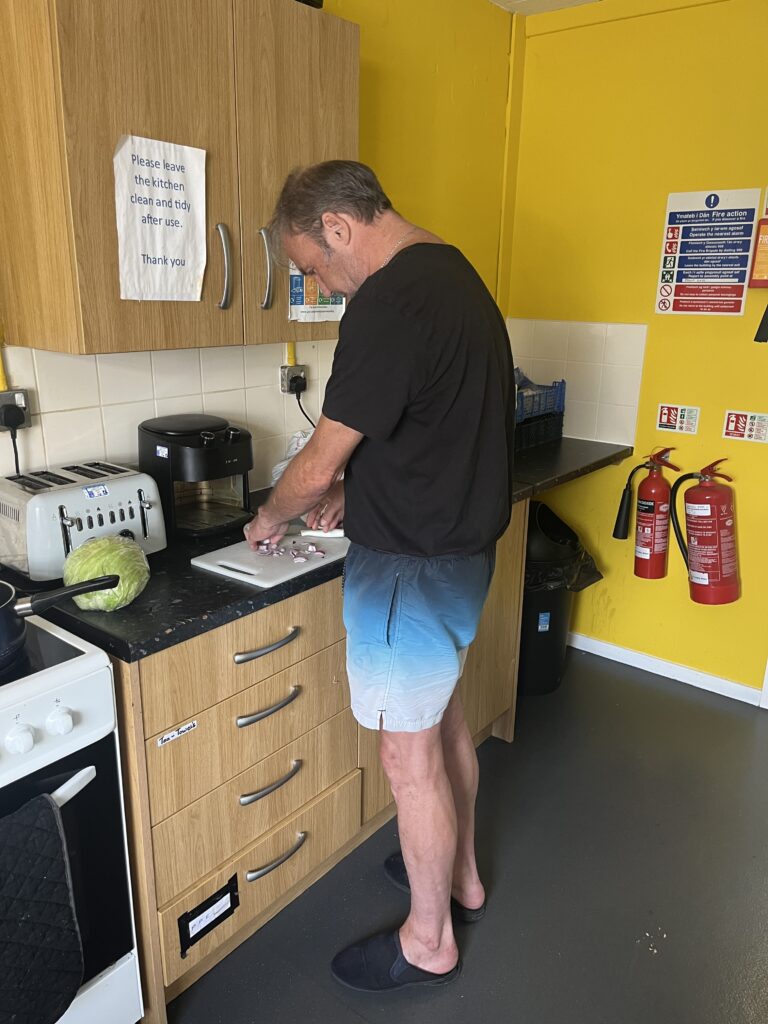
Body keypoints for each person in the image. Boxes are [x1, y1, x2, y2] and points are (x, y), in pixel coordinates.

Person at [244, 160, 515, 992]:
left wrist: (271, 516)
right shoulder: (455, 272)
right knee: (441, 724)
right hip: (460, 552)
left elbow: (318, 459)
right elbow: (434, 425)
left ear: (337, 227)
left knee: (407, 760)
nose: (319, 284)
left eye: (313, 267)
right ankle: (462, 877)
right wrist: (361, 492)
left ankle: (429, 938)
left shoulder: (388, 302)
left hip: (408, 568)